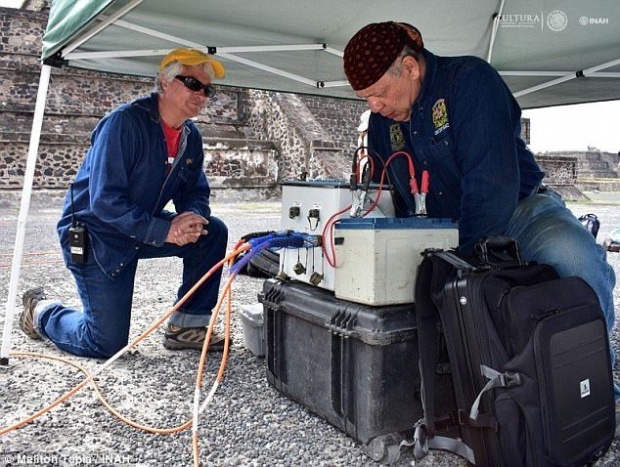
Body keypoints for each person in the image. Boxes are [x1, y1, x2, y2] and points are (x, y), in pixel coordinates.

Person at [343, 22, 618, 397]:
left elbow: (491, 186)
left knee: (575, 258)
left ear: (410, 67)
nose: (374, 106)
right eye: (366, 98)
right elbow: (378, 194)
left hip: (517, 212)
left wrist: (458, 264)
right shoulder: (381, 124)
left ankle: (594, 384)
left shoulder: (470, 81)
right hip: (433, 230)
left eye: (380, 93)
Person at [19, 49, 229, 358]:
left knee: (212, 232)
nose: (202, 94)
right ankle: (41, 312)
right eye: (193, 84)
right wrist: (165, 230)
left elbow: (195, 190)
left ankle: (187, 326)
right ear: (166, 82)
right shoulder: (123, 124)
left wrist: (192, 217)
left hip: (139, 228)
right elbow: (104, 202)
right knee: (105, 344)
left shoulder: (190, 136)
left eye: (207, 89)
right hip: (96, 235)